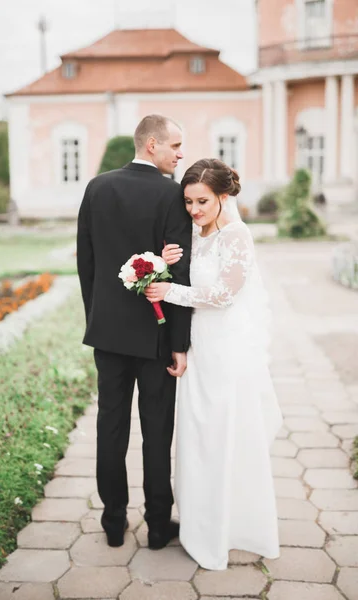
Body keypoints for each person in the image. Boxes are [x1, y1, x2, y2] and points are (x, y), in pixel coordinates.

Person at [145, 158, 283, 570]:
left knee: (224, 436)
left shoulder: (237, 237)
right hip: (199, 348)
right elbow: (189, 272)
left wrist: (169, 290)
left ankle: (230, 529)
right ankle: (200, 527)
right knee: (198, 437)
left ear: (224, 197)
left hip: (227, 350)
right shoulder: (195, 233)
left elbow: (224, 295)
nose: (194, 210)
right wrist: (168, 260)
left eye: (202, 201)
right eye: (188, 202)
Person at [76, 115, 192, 550]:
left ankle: (112, 521)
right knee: (157, 430)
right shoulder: (171, 194)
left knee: (111, 427)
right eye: (175, 146)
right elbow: (179, 271)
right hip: (156, 335)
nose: (180, 155)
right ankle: (159, 526)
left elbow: (85, 260)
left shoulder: (97, 188)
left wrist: (97, 316)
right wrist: (179, 343)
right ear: (151, 145)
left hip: (107, 334)